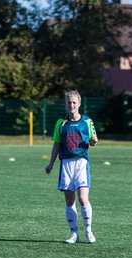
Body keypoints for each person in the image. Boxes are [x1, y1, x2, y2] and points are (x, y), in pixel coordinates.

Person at [45, 90, 98, 244]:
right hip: (66, 164)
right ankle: (74, 233)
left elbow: (94, 141)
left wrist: (94, 141)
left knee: (83, 198)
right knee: (70, 201)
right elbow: (56, 144)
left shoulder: (87, 121)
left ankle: (88, 229)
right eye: (69, 102)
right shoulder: (60, 123)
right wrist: (51, 164)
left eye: (74, 102)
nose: (72, 105)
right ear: (66, 104)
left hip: (81, 163)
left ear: (79, 104)